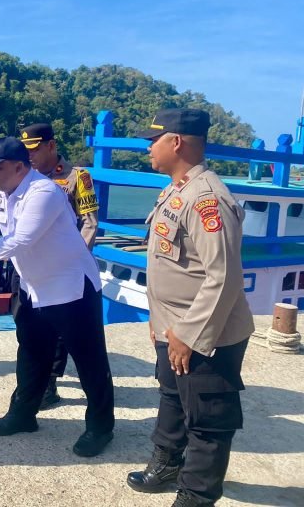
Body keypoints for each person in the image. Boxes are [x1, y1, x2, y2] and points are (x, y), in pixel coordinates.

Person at [0, 136, 115, 457]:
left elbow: (20, 240)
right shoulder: (2, 193)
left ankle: (101, 426)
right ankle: (24, 413)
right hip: (34, 287)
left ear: (20, 167)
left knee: (88, 360)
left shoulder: (43, 192)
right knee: (31, 354)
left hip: (70, 287)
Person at [126, 109, 255, 507]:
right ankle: (165, 464)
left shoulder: (207, 199)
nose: (149, 147)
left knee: (208, 419)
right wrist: (158, 319)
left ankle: (197, 496)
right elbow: (168, 263)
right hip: (173, 327)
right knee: (172, 396)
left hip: (206, 333)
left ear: (176, 141)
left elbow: (224, 277)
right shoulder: (176, 189)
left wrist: (189, 335)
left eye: (154, 139)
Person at [20, 122, 101, 407]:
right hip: (30, 267)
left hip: (63, 268)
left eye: (35, 149)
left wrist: (72, 259)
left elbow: (89, 223)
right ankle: (33, 383)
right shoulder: (23, 176)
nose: (30, 155)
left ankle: (49, 384)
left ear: (51, 146)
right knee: (29, 327)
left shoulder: (76, 178)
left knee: (60, 332)